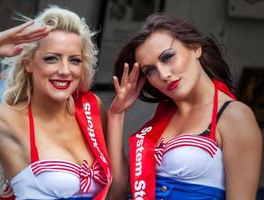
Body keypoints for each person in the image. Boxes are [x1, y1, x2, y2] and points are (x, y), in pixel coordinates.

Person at [107, 13, 262, 200]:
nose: (163, 74)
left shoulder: (234, 116)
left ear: (196, 48)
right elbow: (117, 194)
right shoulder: (157, 123)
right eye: (150, 70)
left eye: (167, 57)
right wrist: (116, 115)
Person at [0, 6, 111, 200]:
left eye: (74, 60)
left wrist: (117, 116)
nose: (65, 70)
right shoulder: (7, 120)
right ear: (28, 62)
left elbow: (116, 189)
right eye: (52, 59)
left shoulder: (92, 108)